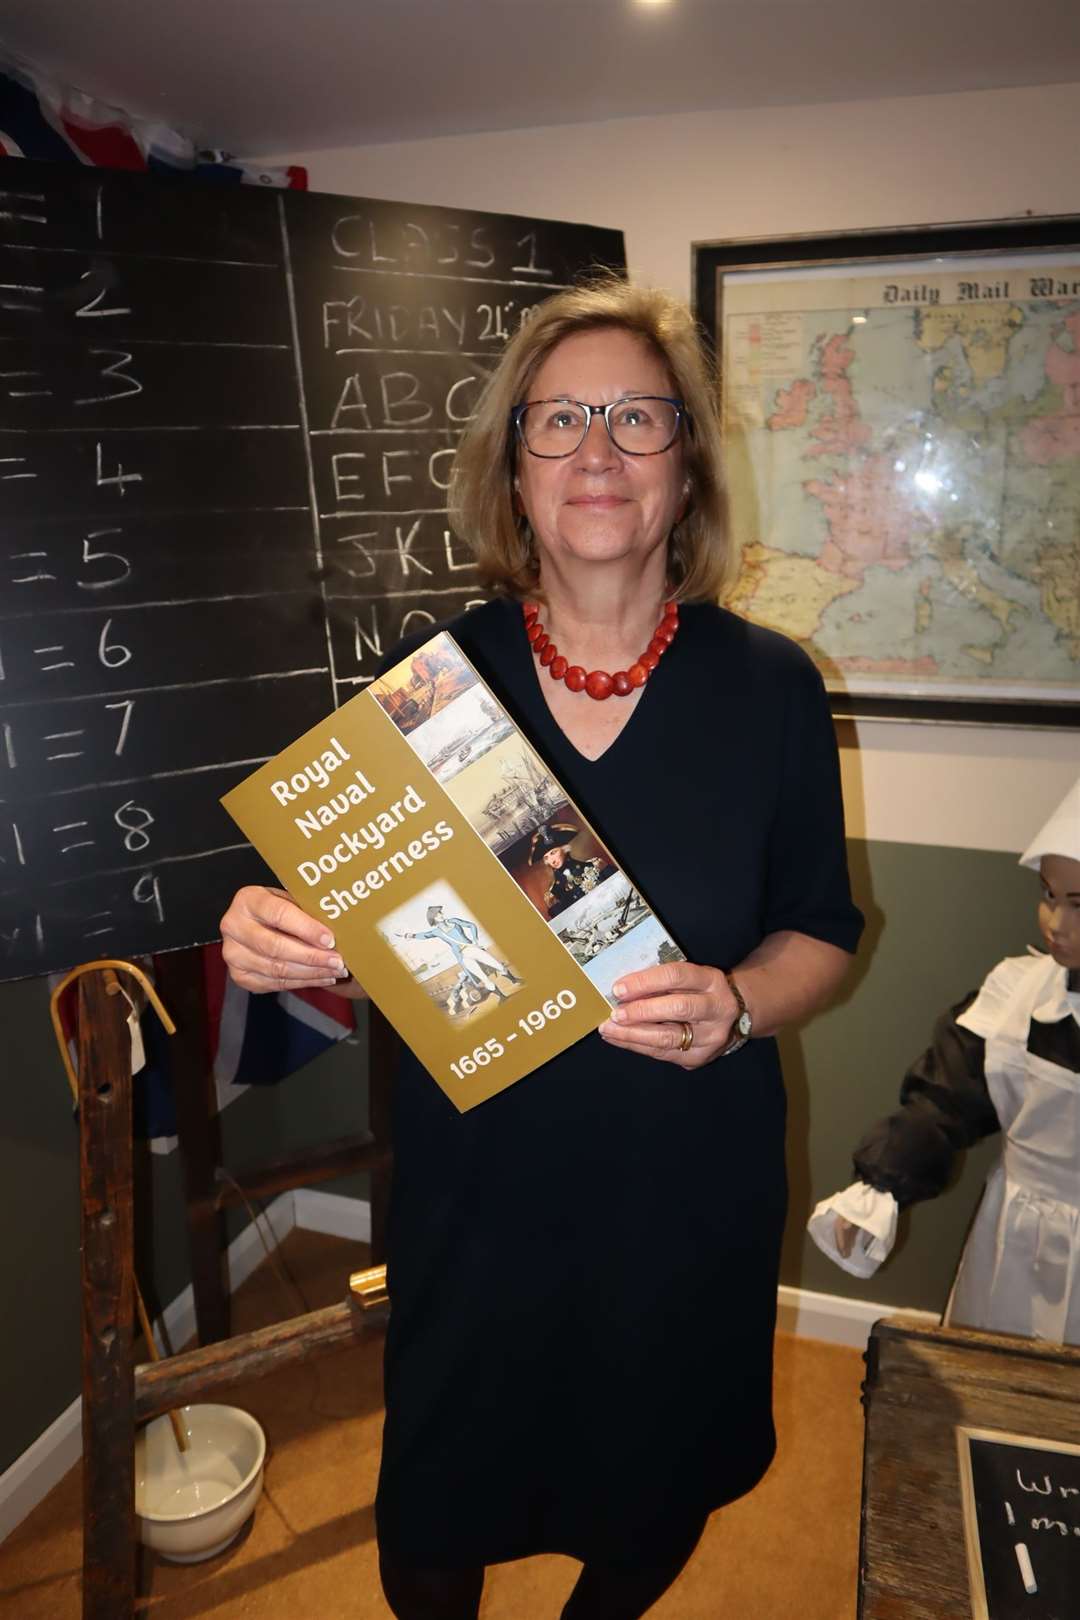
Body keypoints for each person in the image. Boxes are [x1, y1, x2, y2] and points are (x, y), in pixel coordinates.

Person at [219, 275, 864, 1620]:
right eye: (560, 421)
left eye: (639, 419)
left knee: (652, 1502)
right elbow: (385, 938)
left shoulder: (773, 690)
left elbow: (825, 934)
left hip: (689, 1194)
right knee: (436, 1521)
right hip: (481, 1195)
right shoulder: (434, 678)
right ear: (512, 470)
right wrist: (287, 936)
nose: (598, 453)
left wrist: (741, 1004)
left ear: (686, 468)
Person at [808, 776, 1080, 1344]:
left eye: (1078, 904)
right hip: (1014, 1237)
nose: (1055, 924)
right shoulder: (1018, 996)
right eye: (1049, 895)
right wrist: (879, 1188)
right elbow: (944, 1100)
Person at [397, 904, 521, 1005]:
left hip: (473, 949)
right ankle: (502, 997)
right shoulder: (437, 932)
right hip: (464, 956)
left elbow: (471, 925)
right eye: (438, 913)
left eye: (441, 912)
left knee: (498, 966)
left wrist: (475, 940)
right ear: (434, 917)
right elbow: (424, 935)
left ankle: (514, 980)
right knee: (483, 978)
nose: (441, 914)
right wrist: (409, 935)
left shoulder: (454, 921)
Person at [528, 821, 615, 918]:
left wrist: (605, 869)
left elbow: (620, 882)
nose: (552, 861)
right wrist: (553, 906)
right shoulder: (555, 891)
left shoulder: (593, 865)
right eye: (546, 858)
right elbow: (564, 920)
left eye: (553, 853)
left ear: (565, 849)